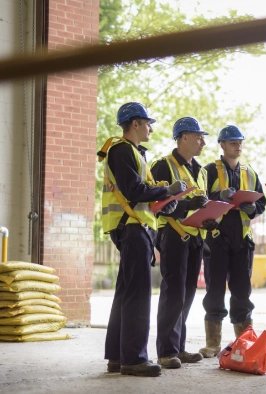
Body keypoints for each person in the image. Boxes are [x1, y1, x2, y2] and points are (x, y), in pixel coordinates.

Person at [101, 102, 186, 377]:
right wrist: (166, 191)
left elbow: (139, 192)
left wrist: (165, 200)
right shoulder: (122, 150)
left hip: (134, 227)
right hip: (132, 229)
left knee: (126, 293)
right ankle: (134, 359)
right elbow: (134, 189)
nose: (151, 127)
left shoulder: (134, 153)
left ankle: (117, 357)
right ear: (135, 124)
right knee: (138, 294)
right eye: (148, 122)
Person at [198, 125, 266, 358]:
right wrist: (219, 197)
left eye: (240, 142)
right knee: (215, 291)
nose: (237, 146)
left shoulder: (250, 173)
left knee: (242, 293)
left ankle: (245, 343)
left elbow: (262, 203)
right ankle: (213, 344)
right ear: (222, 145)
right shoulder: (207, 171)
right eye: (232, 142)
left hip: (242, 242)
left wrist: (252, 208)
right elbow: (199, 200)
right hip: (217, 240)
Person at [150, 116, 210, 369]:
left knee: (186, 294)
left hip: (196, 237)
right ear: (184, 137)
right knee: (173, 293)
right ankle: (166, 352)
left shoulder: (200, 170)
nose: (203, 142)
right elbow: (156, 205)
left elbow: (201, 203)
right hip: (173, 236)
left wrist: (209, 218)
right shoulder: (162, 166)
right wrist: (187, 205)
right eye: (199, 137)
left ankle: (179, 347)